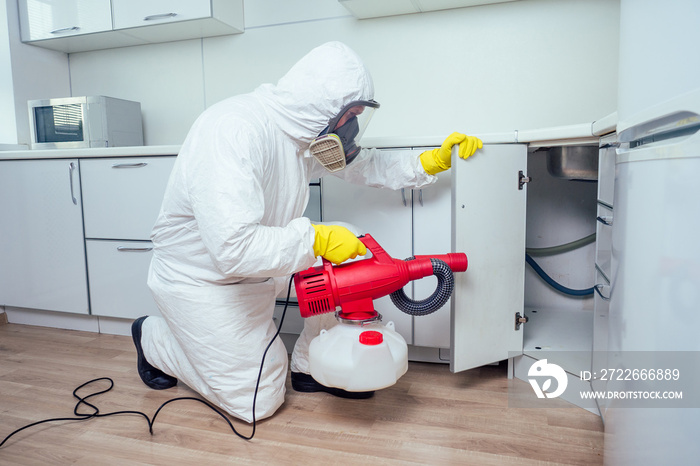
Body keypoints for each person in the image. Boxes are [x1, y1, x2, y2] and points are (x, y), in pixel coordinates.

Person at [131, 41, 482, 423]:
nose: (352, 126)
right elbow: (231, 248)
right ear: (323, 104)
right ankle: (154, 339)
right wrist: (315, 239)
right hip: (204, 280)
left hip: (265, 266)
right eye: (351, 115)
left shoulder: (301, 135)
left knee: (355, 247)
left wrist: (429, 161)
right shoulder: (232, 131)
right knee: (256, 400)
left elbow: (363, 165)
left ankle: (310, 364)